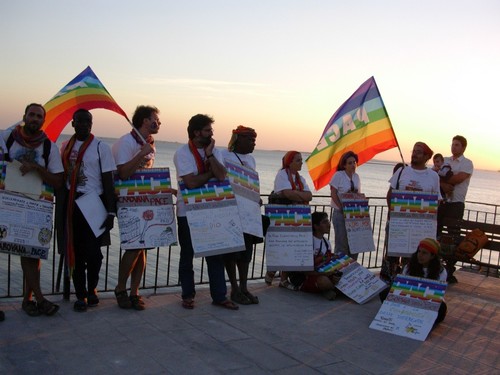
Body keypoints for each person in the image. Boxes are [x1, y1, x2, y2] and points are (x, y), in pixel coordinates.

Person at [1, 103, 64, 317]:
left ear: (43, 121)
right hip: (7, 205)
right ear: (24, 116)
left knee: (31, 254)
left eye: (39, 116)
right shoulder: (7, 138)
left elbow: (57, 180)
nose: (35, 119)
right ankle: (39, 299)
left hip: (35, 207)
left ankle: (30, 300)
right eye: (32, 115)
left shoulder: (49, 147)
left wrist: (37, 167)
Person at [174, 114, 238, 310]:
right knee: (187, 255)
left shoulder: (214, 151)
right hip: (188, 212)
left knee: (215, 254)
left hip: (212, 210)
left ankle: (219, 296)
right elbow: (191, 183)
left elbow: (222, 175)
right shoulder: (182, 153)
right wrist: (210, 173)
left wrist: (210, 156)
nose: (212, 133)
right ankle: (187, 295)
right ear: (196, 132)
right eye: (208, 130)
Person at [60, 109, 116, 312]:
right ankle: (80, 294)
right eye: (81, 121)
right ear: (73, 124)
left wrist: (111, 212)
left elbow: (108, 180)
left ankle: (92, 288)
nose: (85, 124)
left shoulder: (101, 147)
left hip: (94, 203)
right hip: (73, 203)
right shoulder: (66, 146)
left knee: (95, 253)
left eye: (89, 121)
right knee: (76, 251)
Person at [112, 105, 160, 310]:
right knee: (133, 247)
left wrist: (163, 191)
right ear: (144, 120)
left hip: (145, 201)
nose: (158, 123)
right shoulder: (127, 142)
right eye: (154, 119)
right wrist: (142, 154)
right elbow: (122, 173)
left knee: (143, 247)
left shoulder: (149, 144)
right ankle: (120, 289)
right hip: (128, 202)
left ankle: (134, 292)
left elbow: (146, 175)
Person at [382, 142, 441, 283]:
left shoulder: (433, 176)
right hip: (398, 222)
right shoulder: (402, 171)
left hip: (419, 225)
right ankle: (388, 283)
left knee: (414, 257)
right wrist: (393, 213)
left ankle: (408, 283)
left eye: (419, 152)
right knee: (392, 255)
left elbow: (437, 200)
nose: (414, 154)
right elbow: (390, 194)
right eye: (413, 151)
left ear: (427, 156)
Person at [221, 125, 260, 305]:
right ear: (239, 139)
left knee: (246, 254)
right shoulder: (225, 156)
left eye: (254, 140)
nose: (253, 143)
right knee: (232, 253)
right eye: (250, 139)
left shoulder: (251, 160)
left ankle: (244, 287)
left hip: (249, 214)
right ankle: (234, 288)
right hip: (232, 211)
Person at [265, 150, 313, 287]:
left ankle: (283, 279)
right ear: (289, 162)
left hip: (295, 216)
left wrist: (295, 194)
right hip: (281, 216)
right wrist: (299, 195)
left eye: (301, 160)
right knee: (281, 245)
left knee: (291, 246)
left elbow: (309, 196)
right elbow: (286, 193)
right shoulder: (282, 174)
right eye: (298, 160)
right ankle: (272, 272)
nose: (301, 163)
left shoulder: (300, 178)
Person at [381, 238, 448, 326]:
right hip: (409, 295)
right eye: (419, 252)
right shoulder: (409, 266)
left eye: (424, 253)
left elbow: (437, 294)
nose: (420, 255)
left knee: (442, 308)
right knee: (385, 293)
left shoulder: (441, 271)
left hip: (428, 299)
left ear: (432, 256)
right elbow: (402, 286)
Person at [437, 135, 474, 282]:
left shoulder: (467, 163)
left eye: (457, 145)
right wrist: (444, 185)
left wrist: (442, 179)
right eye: (452, 144)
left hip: (456, 204)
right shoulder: (445, 160)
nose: (453, 147)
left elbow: (459, 179)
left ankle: (449, 268)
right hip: (442, 203)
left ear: (463, 147)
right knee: (437, 232)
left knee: (453, 237)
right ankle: (436, 265)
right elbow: (434, 174)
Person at [288, 211, 340, 300]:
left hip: (321, 272)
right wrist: (326, 274)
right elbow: (304, 271)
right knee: (323, 281)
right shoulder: (307, 242)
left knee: (341, 275)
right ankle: (333, 289)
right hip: (304, 277)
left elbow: (328, 262)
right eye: (324, 222)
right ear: (316, 226)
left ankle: (330, 289)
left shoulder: (326, 242)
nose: (328, 224)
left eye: (328, 221)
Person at [329, 150, 361, 260]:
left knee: (354, 244)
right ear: (344, 165)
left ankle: (352, 269)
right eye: (350, 163)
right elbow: (333, 193)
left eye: (354, 162)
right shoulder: (338, 175)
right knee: (341, 244)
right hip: (340, 213)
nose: (353, 165)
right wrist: (341, 207)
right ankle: (339, 271)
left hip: (353, 214)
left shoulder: (356, 177)